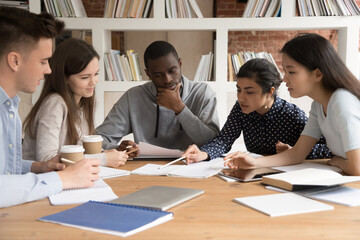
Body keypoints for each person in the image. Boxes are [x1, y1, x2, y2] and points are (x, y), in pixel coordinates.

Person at [0, 7, 100, 208]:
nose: (49, 70)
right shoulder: (52, 103)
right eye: (44, 61)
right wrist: (64, 179)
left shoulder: (9, 107)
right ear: (15, 61)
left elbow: (5, 172)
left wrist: (40, 167)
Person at [223, 33, 360, 175]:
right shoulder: (318, 105)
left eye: (291, 71)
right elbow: (297, 154)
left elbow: (357, 168)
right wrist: (253, 162)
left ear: (317, 74)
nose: (284, 79)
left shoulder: (342, 101)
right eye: (285, 70)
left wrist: (338, 161)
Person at [183, 58, 333, 164]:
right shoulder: (240, 109)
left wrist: (295, 151)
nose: (241, 98)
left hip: (287, 176)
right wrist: (203, 154)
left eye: (249, 92)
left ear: (270, 91)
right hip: (252, 172)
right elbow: (224, 139)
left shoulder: (291, 115)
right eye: (239, 90)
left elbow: (329, 148)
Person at [96, 40, 220, 152]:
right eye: (158, 75)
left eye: (172, 71)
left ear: (180, 63)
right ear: (148, 74)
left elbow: (215, 143)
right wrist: (117, 149)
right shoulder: (133, 97)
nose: (167, 79)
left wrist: (179, 108)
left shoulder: (202, 93)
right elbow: (99, 139)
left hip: (191, 165)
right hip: (145, 167)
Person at [22, 38, 128, 168]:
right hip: (43, 182)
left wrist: (114, 151)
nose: (93, 81)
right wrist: (103, 159)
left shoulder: (82, 102)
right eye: (85, 77)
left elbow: (80, 152)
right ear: (64, 77)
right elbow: (47, 160)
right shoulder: (55, 104)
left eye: (96, 74)